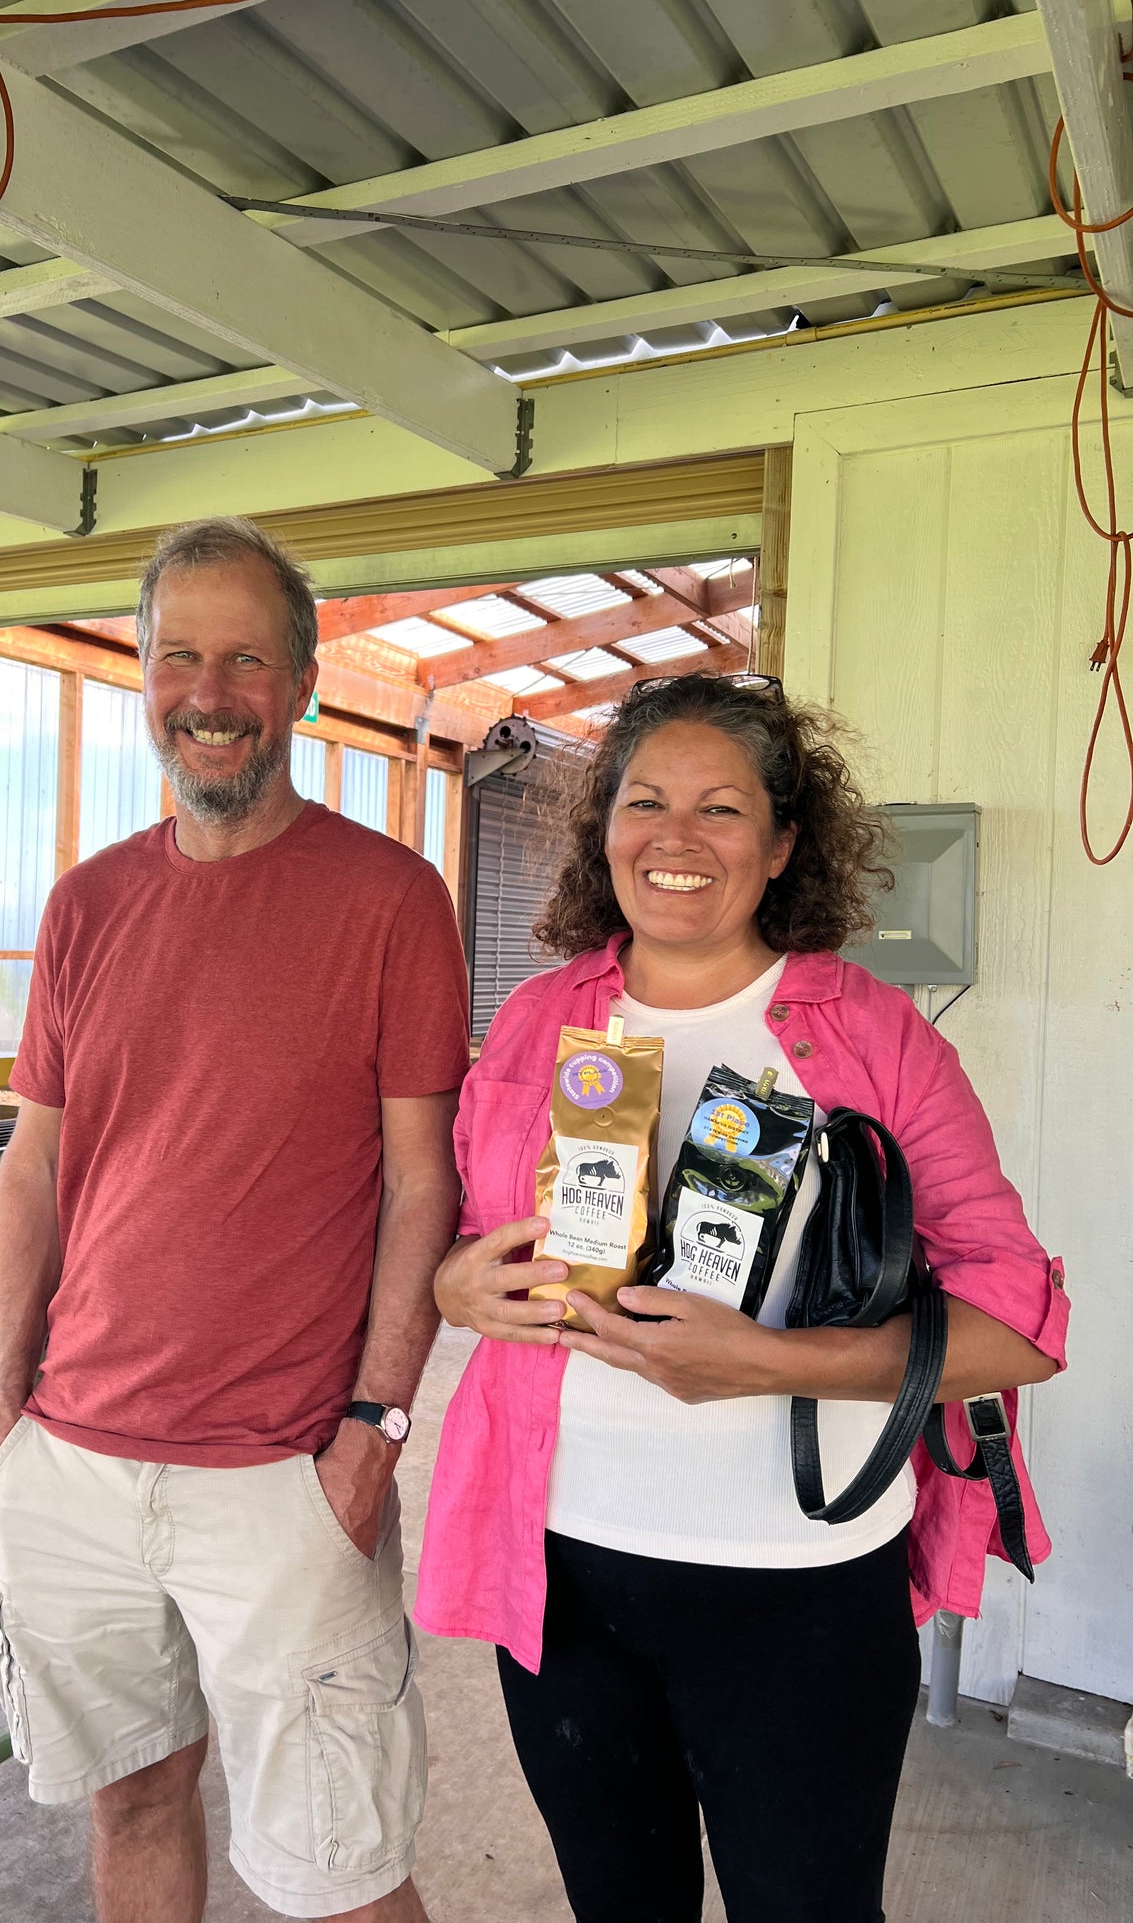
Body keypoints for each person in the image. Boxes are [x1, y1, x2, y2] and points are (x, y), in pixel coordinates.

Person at [415, 672, 1068, 1923]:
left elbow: (1020, 1330)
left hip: (799, 1583)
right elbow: (462, 1243)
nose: (675, 837)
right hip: (558, 1568)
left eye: (721, 809)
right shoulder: (540, 1019)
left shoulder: (873, 1038)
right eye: (644, 801)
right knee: (619, 1905)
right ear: (601, 826)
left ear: (779, 846)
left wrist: (774, 1363)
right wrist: (459, 1284)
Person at [0, 517, 468, 1923]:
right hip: (73, 1459)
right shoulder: (87, 903)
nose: (211, 690)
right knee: (133, 1797)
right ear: (143, 672)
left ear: (303, 681)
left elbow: (418, 1180)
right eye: (179, 654)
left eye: (246, 657)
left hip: (283, 1471)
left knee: (341, 1868)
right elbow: (38, 1162)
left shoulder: (390, 898)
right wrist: (12, 1402)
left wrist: (376, 1429)